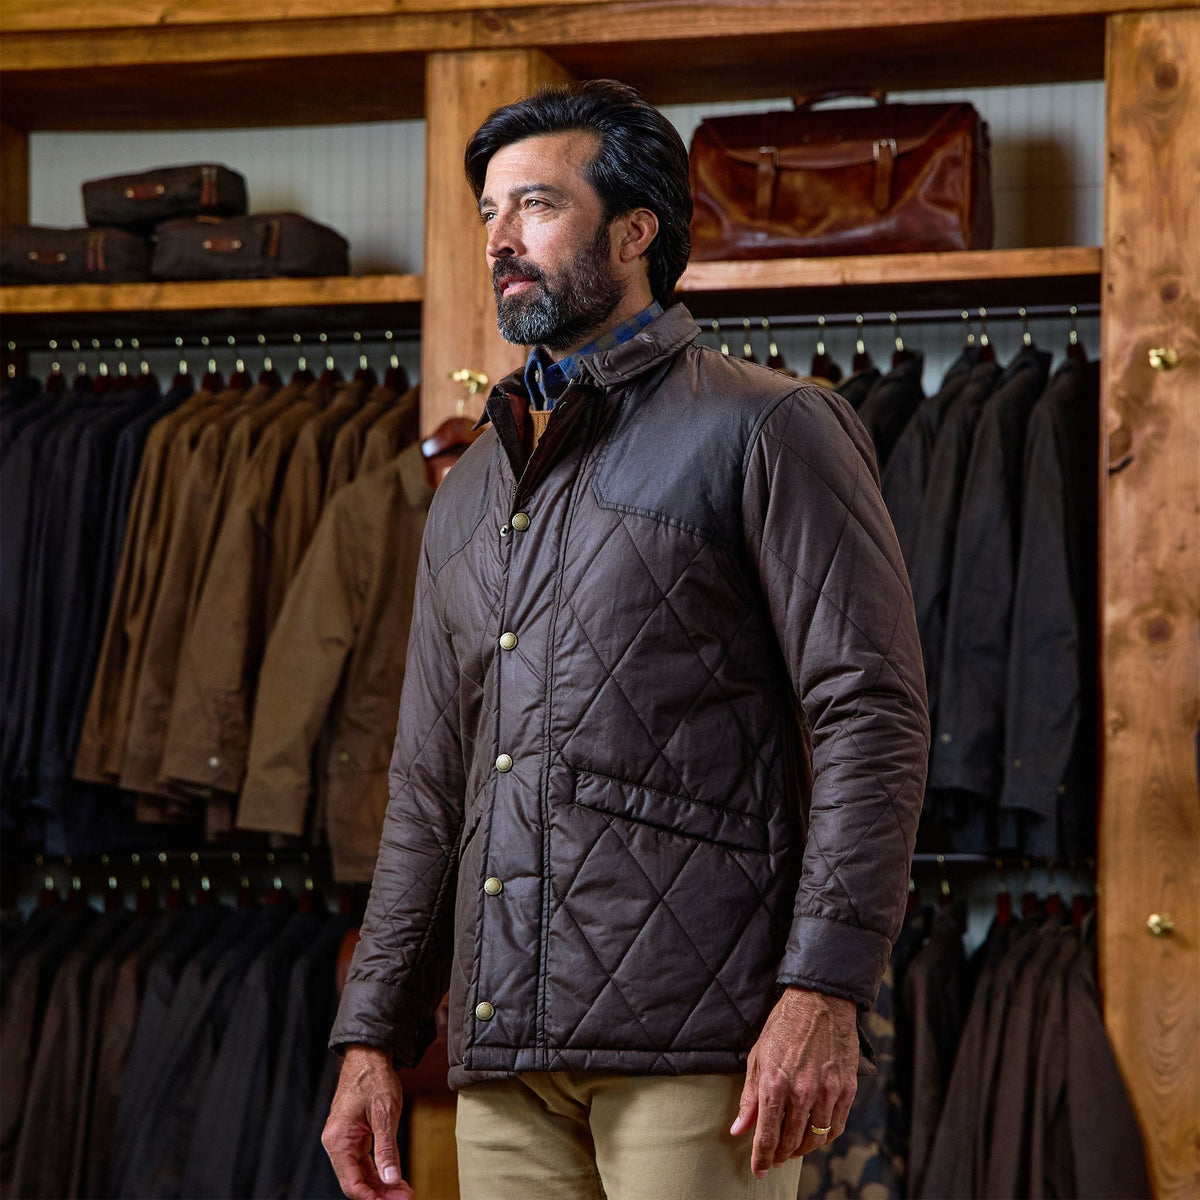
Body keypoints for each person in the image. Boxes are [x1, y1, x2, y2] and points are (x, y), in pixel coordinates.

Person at [322, 79, 929, 1200]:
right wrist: (373, 1036)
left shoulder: (769, 425)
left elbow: (871, 715)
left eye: (538, 205)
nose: (500, 239)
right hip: (504, 1055)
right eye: (489, 211)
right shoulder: (472, 486)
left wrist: (825, 989)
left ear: (636, 230)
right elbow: (429, 785)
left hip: (700, 1044)